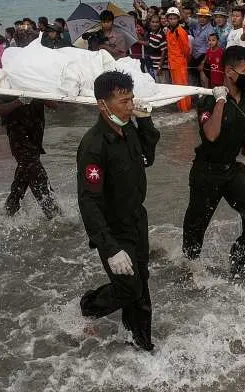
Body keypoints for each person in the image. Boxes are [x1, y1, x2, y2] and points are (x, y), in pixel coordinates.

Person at [77, 71, 160, 351]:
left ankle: (140, 340)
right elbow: (88, 202)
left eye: (131, 98)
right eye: (124, 101)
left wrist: (145, 121)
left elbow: (147, 157)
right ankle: (89, 306)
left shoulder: (129, 128)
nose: (130, 105)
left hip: (137, 219)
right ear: (103, 105)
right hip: (114, 228)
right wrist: (110, 248)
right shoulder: (93, 145)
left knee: (141, 283)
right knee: (130, 288)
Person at [182, 46, 245, 281]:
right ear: (230, 72)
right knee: (196, 226)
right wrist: (220, 101)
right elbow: (211, 134)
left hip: (231, 170)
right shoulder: (208, 99)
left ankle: (239, 259)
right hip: (206, 172)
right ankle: (191, 267)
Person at [0, 92, 60, 219]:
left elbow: (55, 105)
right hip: (19, 140)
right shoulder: (7, 84)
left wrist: (38, 93)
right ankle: (55, 216)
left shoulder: (34, 80)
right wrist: (19, 101)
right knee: (39, 178)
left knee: (23, 177)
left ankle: (10, 209)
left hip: (36, 138)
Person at [165, 7, 193, 112]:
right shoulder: (169, 32)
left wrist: (183, 61)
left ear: (178, 19)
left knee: (183, 88)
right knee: (177, 88)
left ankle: (185, 110)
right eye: (170, 18)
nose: (172, 20)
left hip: (180, 64)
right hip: (172, 64)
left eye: (174, 18)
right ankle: (182, 109)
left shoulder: (180, 32)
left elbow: (186, 49)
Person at [189, 7, 215, 86]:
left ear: (208, 18)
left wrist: (203, 62)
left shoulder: (210, 30)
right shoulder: (198, 25)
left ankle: (204, 97)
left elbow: (211, 48)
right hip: (195, 56)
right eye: (200, 17)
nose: (202, 19)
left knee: (203, 81)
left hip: (203, 57)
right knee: (194, 78)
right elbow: (186, 19)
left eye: (204, 17)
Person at [144, 15, 168, 82]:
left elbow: (164, 52)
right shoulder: (151, 33)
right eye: (153, 22)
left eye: (157, 22)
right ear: (150, 23)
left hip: (161, 68)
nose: (155, 24)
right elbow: (149, 43)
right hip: (153, 66)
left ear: (160, 23)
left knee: (163, 87)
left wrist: (160, 67)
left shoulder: (161, 35)